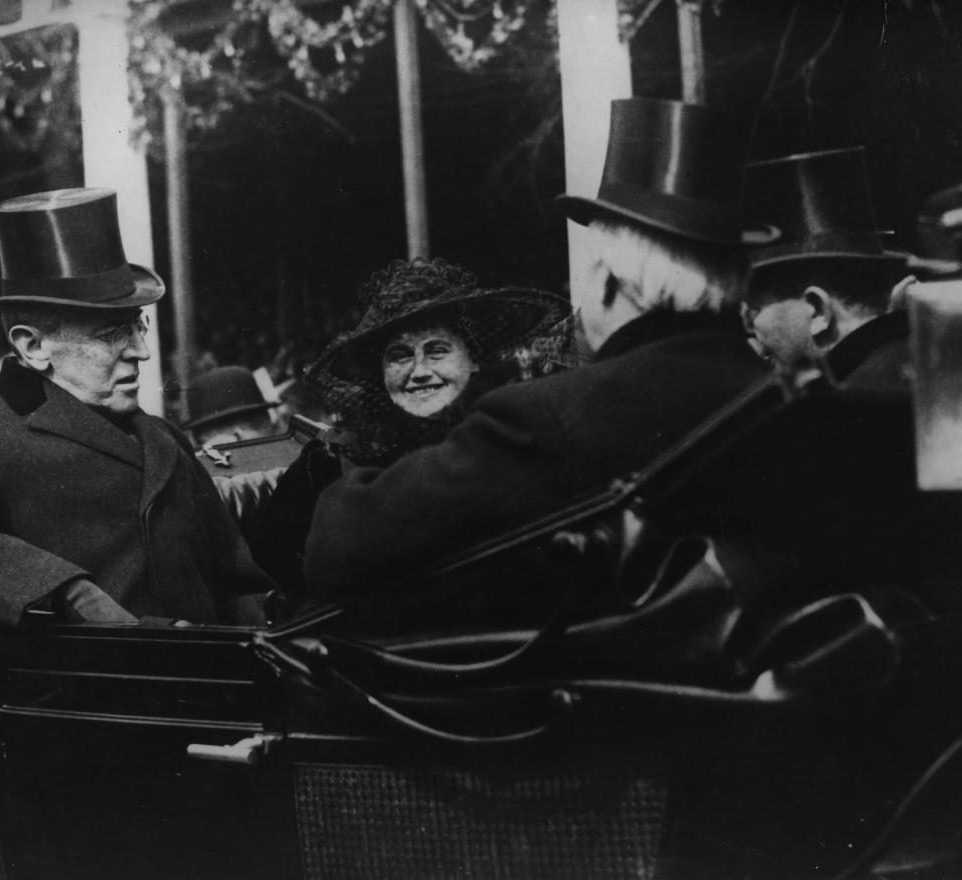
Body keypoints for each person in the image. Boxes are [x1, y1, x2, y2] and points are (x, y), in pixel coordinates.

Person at [303, 97, 766, 598]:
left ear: (610, 284)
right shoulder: (790, 395)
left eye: (437, 351)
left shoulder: (554, 417)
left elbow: (341, 546)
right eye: (400, 355)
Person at [0, 188, 272, 627]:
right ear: (34, 346)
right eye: (109, 334)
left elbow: (237, 583)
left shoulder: (165, 437)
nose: (141, 351)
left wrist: (267, 641)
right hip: (73, 692)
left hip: (216, 682)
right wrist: (68, 592)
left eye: (138, 326)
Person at [252, 256, 572, 597]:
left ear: (474, 360)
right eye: (400, 356)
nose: (419, 371)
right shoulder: (327, 462)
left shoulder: (509, 441)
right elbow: (272, 574)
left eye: (437, 351)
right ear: (380, 372)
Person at [739, 147, 914, 390]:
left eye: (754, 312)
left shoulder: (840, 406)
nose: (751, 332)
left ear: (817, 310)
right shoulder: (920, 362)